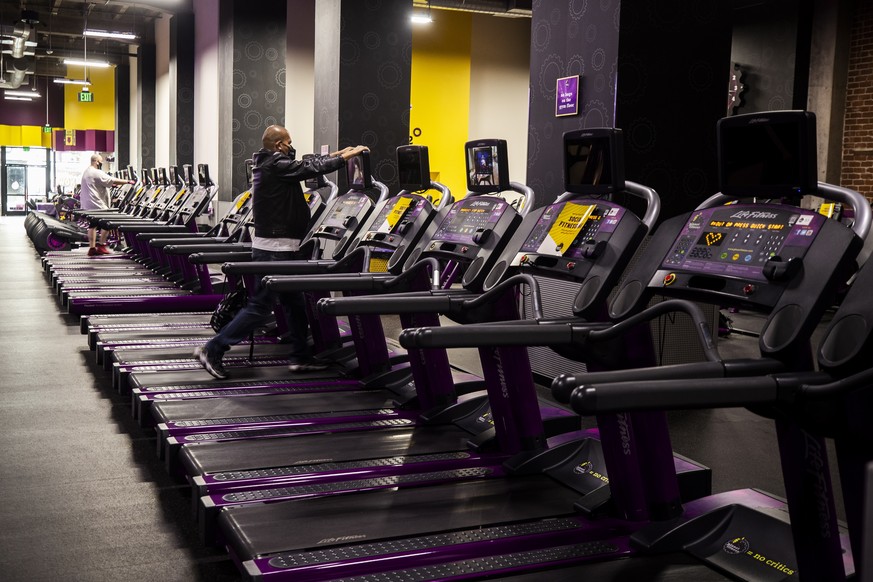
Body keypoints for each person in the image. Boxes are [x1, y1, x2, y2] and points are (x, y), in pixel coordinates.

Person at [195, 124, 368, 378]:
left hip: (281, 247)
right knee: (261, 306)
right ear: (279, 145)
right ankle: (213, 349)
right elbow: (309, 167)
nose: (291, 146)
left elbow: (309, 164)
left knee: (294, 303)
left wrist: (342, 152)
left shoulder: (267, 163)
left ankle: (300, 357)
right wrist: (343, 158)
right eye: (288, 142)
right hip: (276, 250)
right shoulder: (275, 164)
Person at [80, 154, 134, 256]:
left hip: (89, 205)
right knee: (108, 223)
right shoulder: (96, 172)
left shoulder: (87, 172)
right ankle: (101, 245)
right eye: (100, 162)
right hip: (97, 205)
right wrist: (128, 181)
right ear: (96, 161)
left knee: (93, 225)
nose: (101, 164)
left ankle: (92, 248)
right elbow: (111, 180)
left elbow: (102, 183)